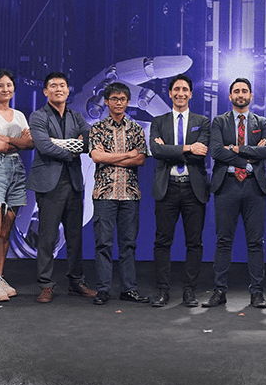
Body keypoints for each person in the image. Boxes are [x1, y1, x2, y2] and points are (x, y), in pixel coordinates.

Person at [205, 78, 266, 309]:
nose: (240, 94)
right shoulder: (219, 121)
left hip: (254, 187)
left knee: (255, 242)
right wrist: (249, 157)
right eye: (236, 91)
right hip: (227, 185)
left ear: (251, 96)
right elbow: (216, 151)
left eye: (245, 91)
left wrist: (236, 149)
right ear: (230, 96)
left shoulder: (261, 122)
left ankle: (257, 292)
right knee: (223, 241)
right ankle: (219, 291)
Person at [28, 71, 95, 303]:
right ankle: (46, 285)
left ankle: (76, 282)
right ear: (45, 91)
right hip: (49, 184)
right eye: (54, 85)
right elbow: (44, 146)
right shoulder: (38, 116)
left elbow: (89, 142)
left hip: (74, 183)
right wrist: (72, 149)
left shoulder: (77, 116)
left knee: (75, 238)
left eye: (62, 85)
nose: (59, 89)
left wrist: (61, 144)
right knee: (47, 238)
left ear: (68, 90)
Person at [149, 73, 210, 307]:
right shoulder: (159, 122)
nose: (180, 93)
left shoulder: (202, 122)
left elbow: (200, 154)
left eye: (185, 89)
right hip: (168, 187)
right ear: (170, 93)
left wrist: (171, 150)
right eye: (176, 89)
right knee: (162, 242)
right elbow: (157, 151)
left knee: (194, 243)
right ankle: (163, 290)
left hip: (194, 189)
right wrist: (188, 147)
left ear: (191, 94)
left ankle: (189, 291)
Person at [88, 82, 150, 306]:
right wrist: (127, 154)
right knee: (103, 244)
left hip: (130, 194)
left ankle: (128, 289)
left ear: (128, 102)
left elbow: (140, 159)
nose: (118, 102)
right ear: (106, 101)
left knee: (128, 244)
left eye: (122, 99)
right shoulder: (97, 128)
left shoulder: (136, 129)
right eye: (114, 99)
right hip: (104, 194)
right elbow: (97, 157)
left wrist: (112, 156)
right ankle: (103, 290)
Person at [0, 69, 34, 302]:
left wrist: (8, 140)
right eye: (0, 85)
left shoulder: (19, 115)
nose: (5, 89)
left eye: (9, 85)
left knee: (5, 231)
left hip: (17, 171)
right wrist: (17, 142)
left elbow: (30, 144)